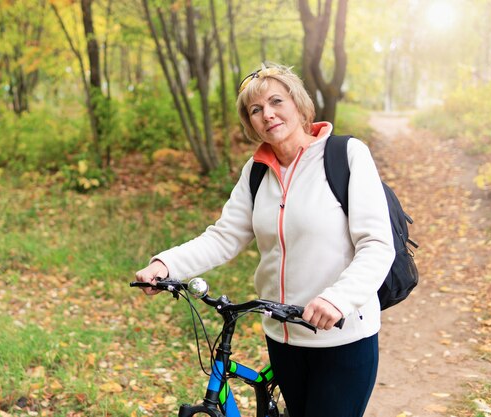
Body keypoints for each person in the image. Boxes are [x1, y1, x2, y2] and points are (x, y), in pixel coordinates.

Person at [135, 63, 395, 417]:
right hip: (282, 335)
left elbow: (377, 245)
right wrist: (165, 264)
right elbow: (224, 236)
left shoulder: (346, 156)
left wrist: (338, 299)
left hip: (342, 336)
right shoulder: (256, 171)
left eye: (276, 101)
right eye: (255, 110)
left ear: (299, 104)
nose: (267, 114)